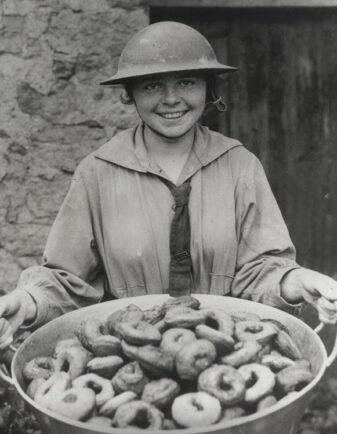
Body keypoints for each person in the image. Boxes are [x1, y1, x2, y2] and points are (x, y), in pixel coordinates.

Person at [0, 21, 337, 351]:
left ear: (209, 88)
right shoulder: (97, 173)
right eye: (152, 86)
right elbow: (64, 281)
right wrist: (25, 302)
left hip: (227, 353)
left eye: (187, 82)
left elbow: (263, 269)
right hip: (127, 362)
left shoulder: (239, 165)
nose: (171, 99)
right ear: (130, 94)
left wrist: (303, 281)